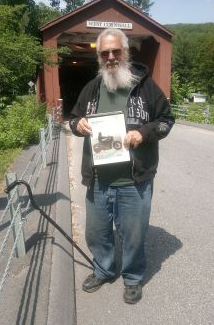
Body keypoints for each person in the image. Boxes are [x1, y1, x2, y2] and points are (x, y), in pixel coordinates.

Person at [69, 28, 174, 304]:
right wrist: (77, 125)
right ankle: (103, 269)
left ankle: (133, 277)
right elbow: (73, 119)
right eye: (105, 53)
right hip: (98, 179)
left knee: (134, 233)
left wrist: (144, 133)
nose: (111, 56)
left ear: (126, 53)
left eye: (116, 51)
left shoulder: (146, 86)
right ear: (99, 56)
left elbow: (166, 120)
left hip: (134, 180)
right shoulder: (91, 89)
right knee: (97, 231)